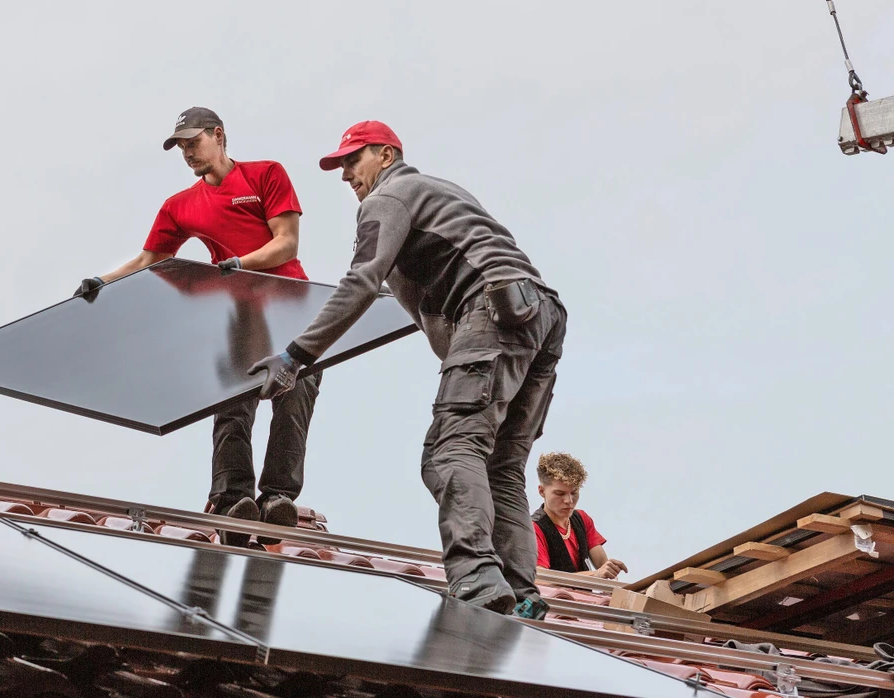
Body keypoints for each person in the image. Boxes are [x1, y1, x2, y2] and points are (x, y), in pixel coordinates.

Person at [248, 121, 565, 619]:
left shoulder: (389, 198)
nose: (346, 174)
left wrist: (294, 357)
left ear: (388, 155)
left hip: (492, 310)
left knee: (449, 451)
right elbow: (382, 298)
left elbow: (359, 282)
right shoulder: (439, 193)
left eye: (354, 160)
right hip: (539, 314)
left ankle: (478, 582)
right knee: (501, 465)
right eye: (340, 165)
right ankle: (521, 593)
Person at [73, 107, 322, 546]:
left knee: (295, 394)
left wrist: (240, 263)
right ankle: (232, 499)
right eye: (181, 147)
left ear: (219, 135)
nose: (188, 152)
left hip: (291, 308)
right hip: (239, 316)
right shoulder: (180, 206)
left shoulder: (266, 175)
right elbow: (150, 261)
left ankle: (278, 498)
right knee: (231, 403)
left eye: (194, 142)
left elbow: (286, 241)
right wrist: (102, 282)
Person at [532, 452, 627, 579]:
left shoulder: (582, 519)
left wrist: (611, 572)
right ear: (542, 491)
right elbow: (540, 578)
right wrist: (595, 574)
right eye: (560, 493)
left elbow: (605, 569)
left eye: (574, 492)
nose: (569, 500)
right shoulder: (533, 528)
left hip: (586, 598)